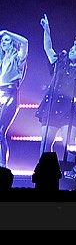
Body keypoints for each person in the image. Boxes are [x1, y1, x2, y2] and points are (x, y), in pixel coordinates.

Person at [35, 14, 76, 179]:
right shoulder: (59, 64)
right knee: (45, 142)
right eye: (72, 48)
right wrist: (46, 29)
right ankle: (46, 172)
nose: (72, 50)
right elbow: (48, 48)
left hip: (71, 108)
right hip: (52, 106)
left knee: (68, 142)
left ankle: (71, 172)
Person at [0, 29, 28, 169]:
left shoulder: (18, 58)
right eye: (2, 40)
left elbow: (25, 42)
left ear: (12, 43)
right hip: (0, 93)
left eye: (7, 40)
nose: (3, 42)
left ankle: (3, 165)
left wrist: (7, 32)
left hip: (10, 94)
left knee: (0, 131)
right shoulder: (2, 60)